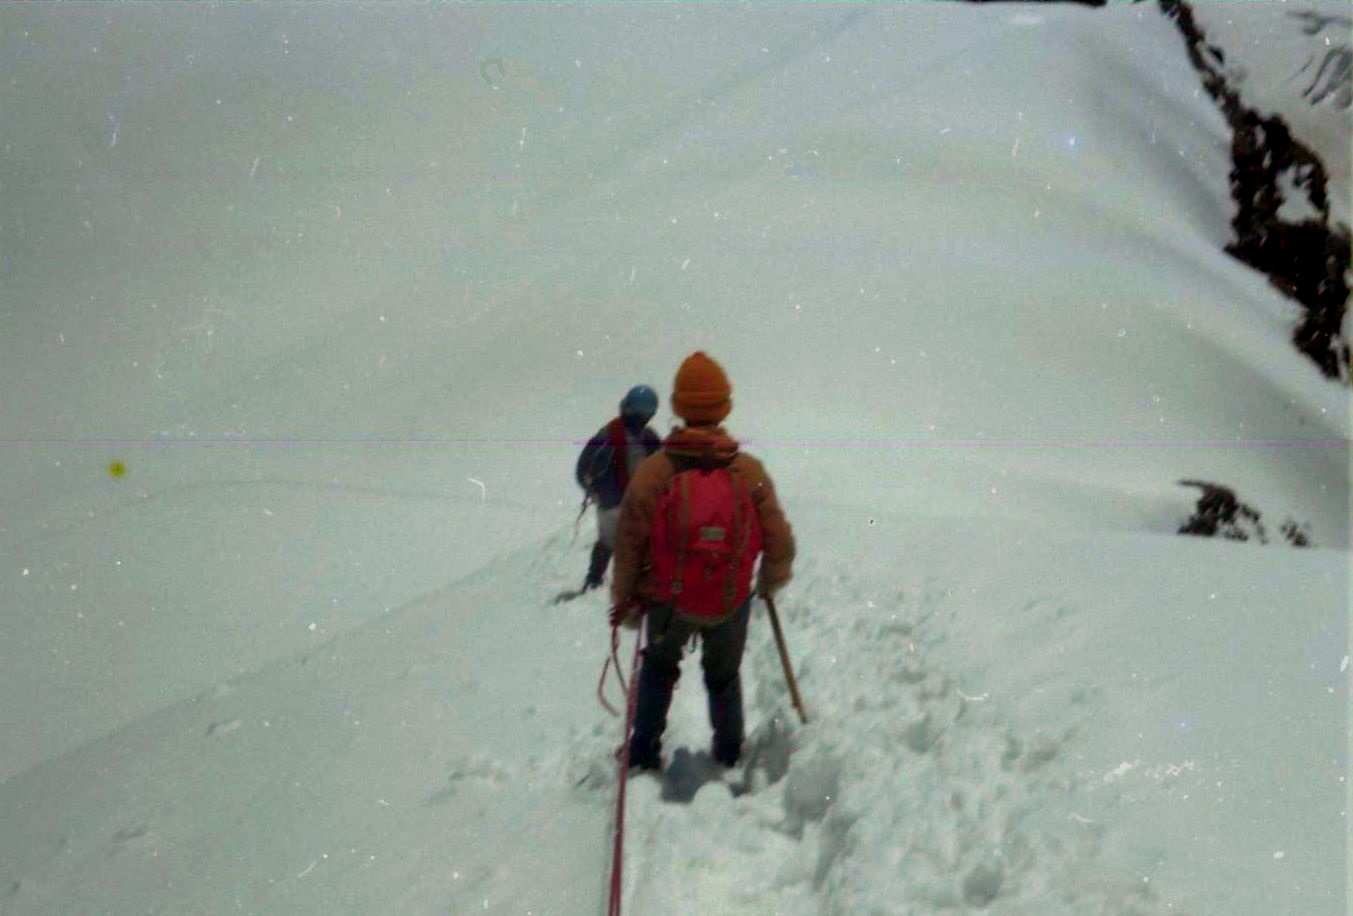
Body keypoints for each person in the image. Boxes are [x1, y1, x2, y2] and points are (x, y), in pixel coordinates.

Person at [609, 352, 795, 770]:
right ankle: (729, 754)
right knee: (724, 678)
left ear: (678, 406)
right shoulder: (748, 471)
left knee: (658, 670)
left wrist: (627, 601)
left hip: (668, 603)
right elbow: (780, 542)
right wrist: (769, 580)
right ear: (723, 407)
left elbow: (629, 543)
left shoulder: (657, 471)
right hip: (729, 603)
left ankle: (642, 754)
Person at [574, 385, 663, 592]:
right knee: (639, 542)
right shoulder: (647, 437)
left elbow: (583, 470)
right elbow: (664, 465)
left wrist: (595, 492)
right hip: (630, 501)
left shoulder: (607, 435)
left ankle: (595, 580)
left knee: (608, 542)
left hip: (613, 501)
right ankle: (635, 583)